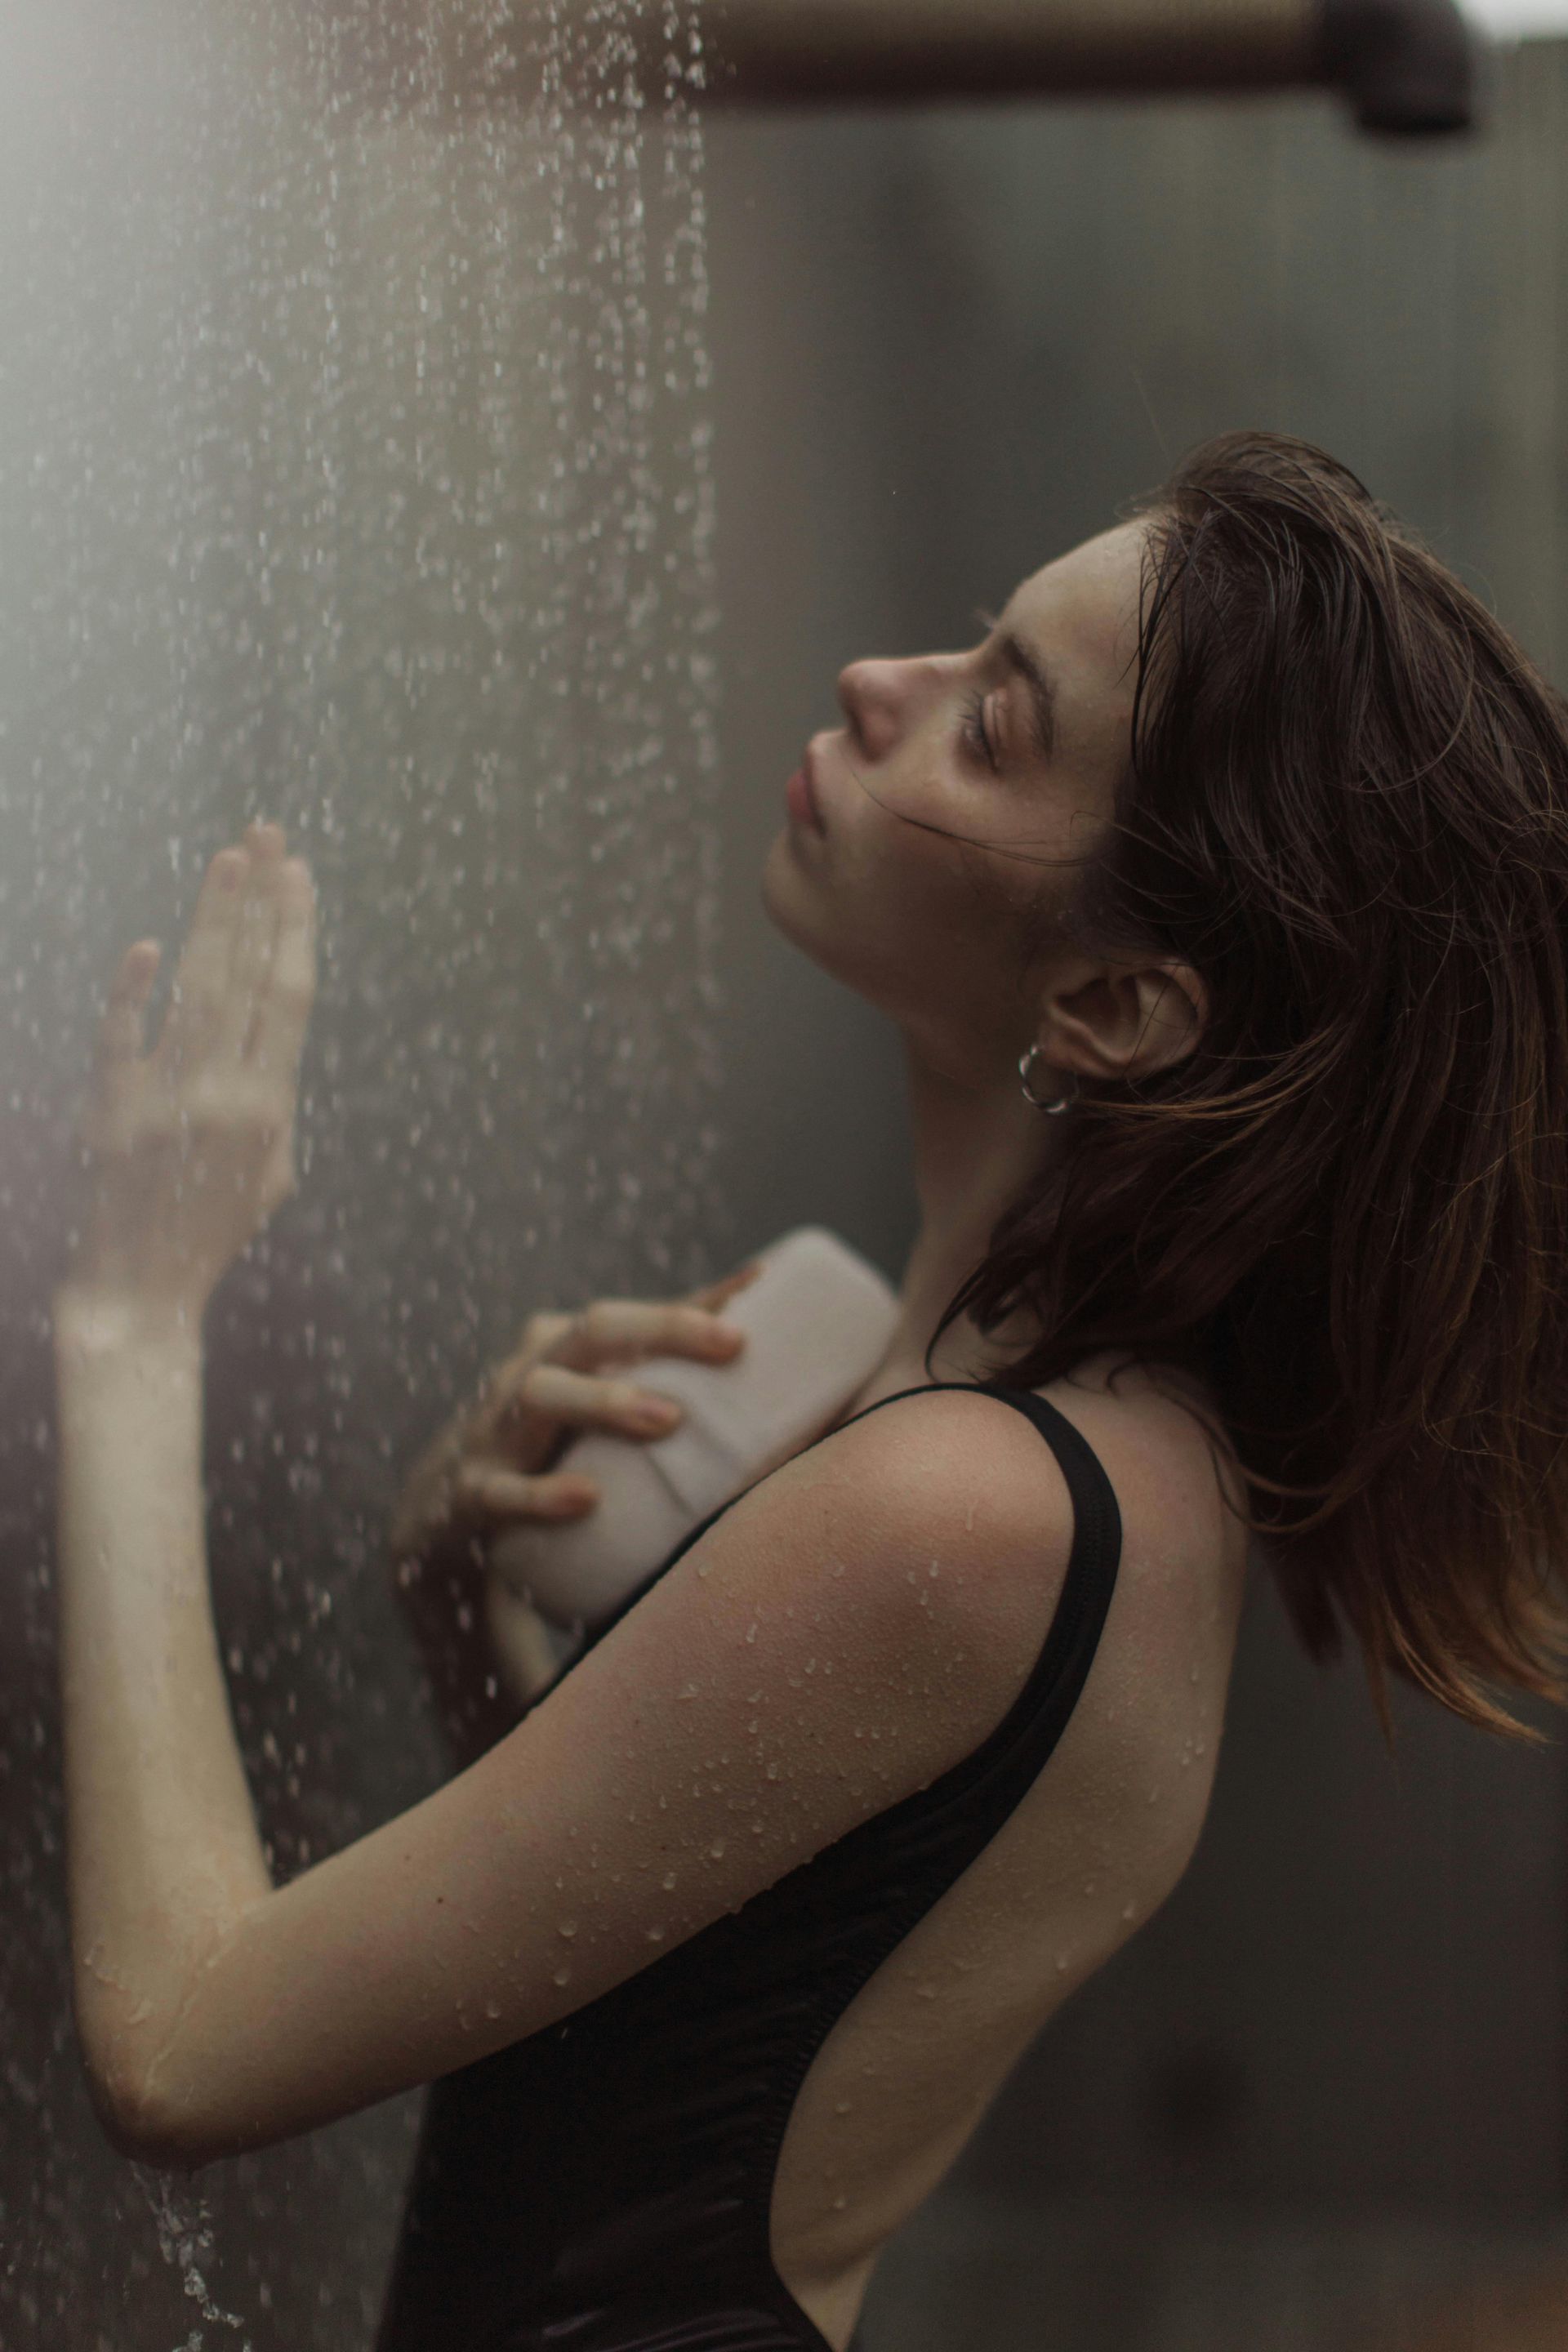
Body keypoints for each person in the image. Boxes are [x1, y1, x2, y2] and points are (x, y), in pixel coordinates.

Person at [51, 430, 1568, 2352]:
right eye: (965, 647)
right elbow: (675, 2004)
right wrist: (463, 1594)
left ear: (1111, 1006)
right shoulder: (1042, 1432)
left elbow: (185, 2047)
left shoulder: (973, 1511)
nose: (880, 684)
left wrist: (134, 1309)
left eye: (992, 726)